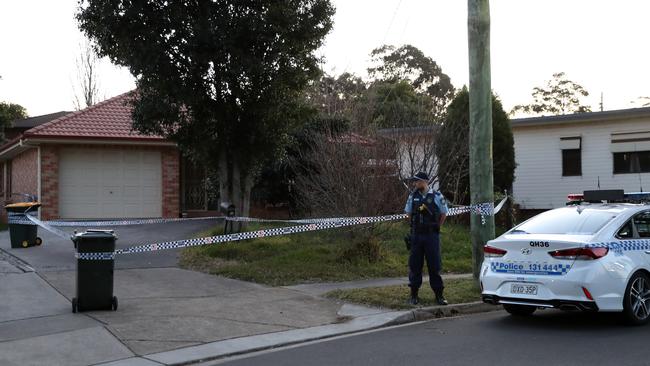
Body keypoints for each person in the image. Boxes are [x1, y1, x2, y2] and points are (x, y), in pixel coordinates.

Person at [404, 172, 448, 306]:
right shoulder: (413, 196)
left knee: (434, 265)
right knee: (415, 265)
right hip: (417, 235)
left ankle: (439, 295)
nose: (415, 184)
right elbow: (408, 213)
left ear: (424, 182)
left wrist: (435, 227)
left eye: (417, 181)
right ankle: (414, 295)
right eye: (414, 182)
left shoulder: (437, 196)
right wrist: (415, 226)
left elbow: (444, 213)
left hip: (431, 236)